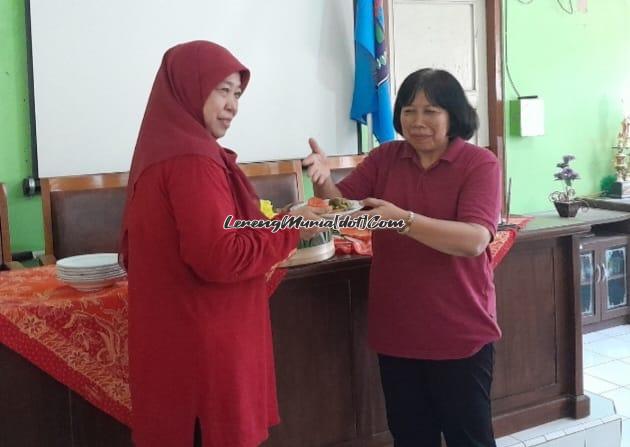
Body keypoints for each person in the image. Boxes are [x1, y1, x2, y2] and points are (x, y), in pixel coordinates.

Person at [120, 41, 322, 447]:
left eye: (237, 94)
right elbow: (220, 255)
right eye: (222, 90)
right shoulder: (191, 159)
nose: (232, 105)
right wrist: (290, 227)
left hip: (178, 340)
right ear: (189, 88)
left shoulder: (163, 147)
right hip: (203, 350)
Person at [303, 68, 502, 447]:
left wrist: (404, 221)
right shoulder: (387, 157)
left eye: (431, 111)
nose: (418, 121)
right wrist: (323, 180)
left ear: (453, 115)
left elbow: (474, 241)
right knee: (411, 438)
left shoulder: (479, 164)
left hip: (458, 331)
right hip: (398, 332)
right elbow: (343, 208)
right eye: (409, 111)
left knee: (469, 438)